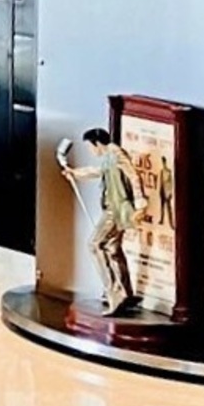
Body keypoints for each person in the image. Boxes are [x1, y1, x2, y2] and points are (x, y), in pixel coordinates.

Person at [59, 127, 140, 314]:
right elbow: (97, 171)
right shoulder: (109, 158)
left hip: (116, 210)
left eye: (90, 147)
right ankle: (126, 292)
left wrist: (141, 202)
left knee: (95, 245)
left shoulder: (116, 154)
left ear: (97, 143)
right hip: (116, 209)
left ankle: (114, 293)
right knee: (112, 248)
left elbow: (133, 175)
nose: (91, 151)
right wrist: (75, 173)